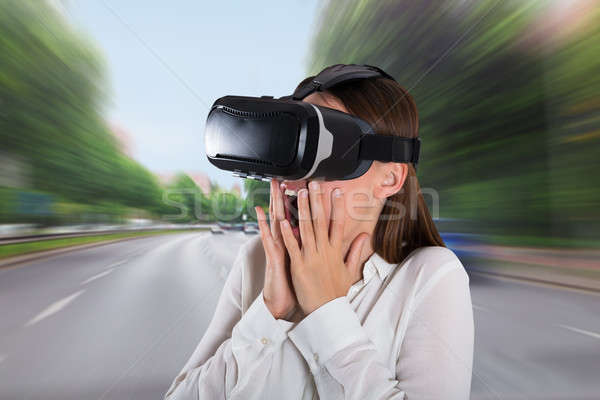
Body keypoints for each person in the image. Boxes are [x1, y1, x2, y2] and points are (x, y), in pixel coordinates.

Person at [164, 65, 474, 400]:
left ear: (390, 178)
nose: (295, 182)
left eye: (328, 155)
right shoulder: (259, 260)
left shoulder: (430, 275)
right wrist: (269, 314)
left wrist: (327, 311)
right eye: (295, 155)